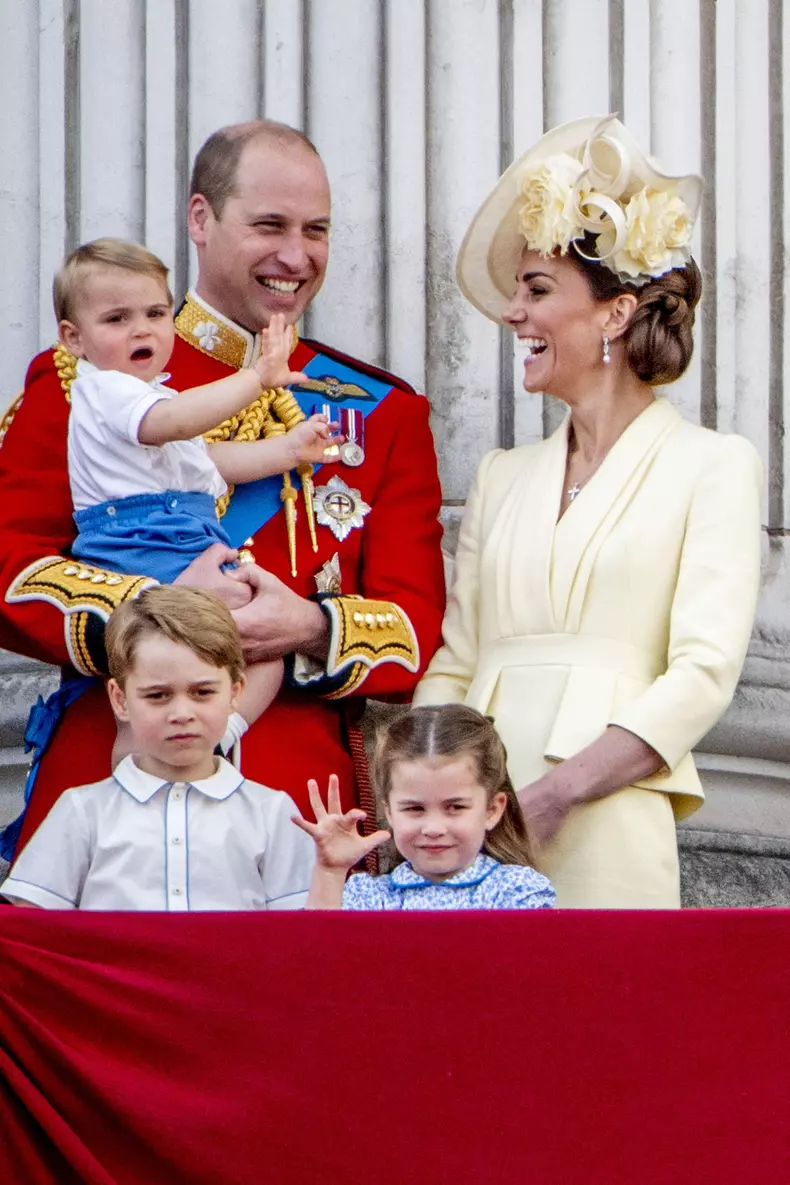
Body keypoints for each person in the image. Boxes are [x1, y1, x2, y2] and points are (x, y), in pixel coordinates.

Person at [0, 120, 445, 859]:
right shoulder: (85, 380)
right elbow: (8, 568)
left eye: (316, 230)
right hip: (113, 797)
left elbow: (414, 626)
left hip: (298, 816)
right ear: (200, 220)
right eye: (269, 224)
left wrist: (306, 626)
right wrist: (156, 613)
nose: (296, 255)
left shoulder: (383, 413)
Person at [413, 115, 763, 908]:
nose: (512, 314)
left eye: (537, 291)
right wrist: (433, 798)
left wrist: (559, 793)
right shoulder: (501, 476)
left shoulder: (713, 466)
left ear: (615, 313)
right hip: (471, 836)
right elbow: (454, 664)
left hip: (608, 822)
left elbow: (702, 673)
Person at [59, 238, 336, 761]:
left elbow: (208, 462)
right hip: (144, 543)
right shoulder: (108, 390)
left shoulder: (151, 393)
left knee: (256, 658)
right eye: (117, 319)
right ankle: (136, 780)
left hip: (180, 531)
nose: (141, 329)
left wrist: (288, 449)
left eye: (156, 313)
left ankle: (217, 740)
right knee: (157, 675)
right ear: (74, 339)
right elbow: (177, 423)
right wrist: (257, 377)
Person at [0, 586, 314, 910]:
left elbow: (302, 938)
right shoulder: (82, 811)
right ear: (120, 699)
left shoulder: (271, 812)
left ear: (235, 693)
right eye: (157, 695)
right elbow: (34, 932)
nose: (181, 714)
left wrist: (331, 870)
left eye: (202, 692)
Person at [295, 704, 555, 910]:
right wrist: (330, 872)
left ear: (492, 810)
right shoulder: (369, 897)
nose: (433, 828)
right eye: (414, 809)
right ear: (389, 812)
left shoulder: (517, 892)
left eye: (455, 807)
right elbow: (318, 961)